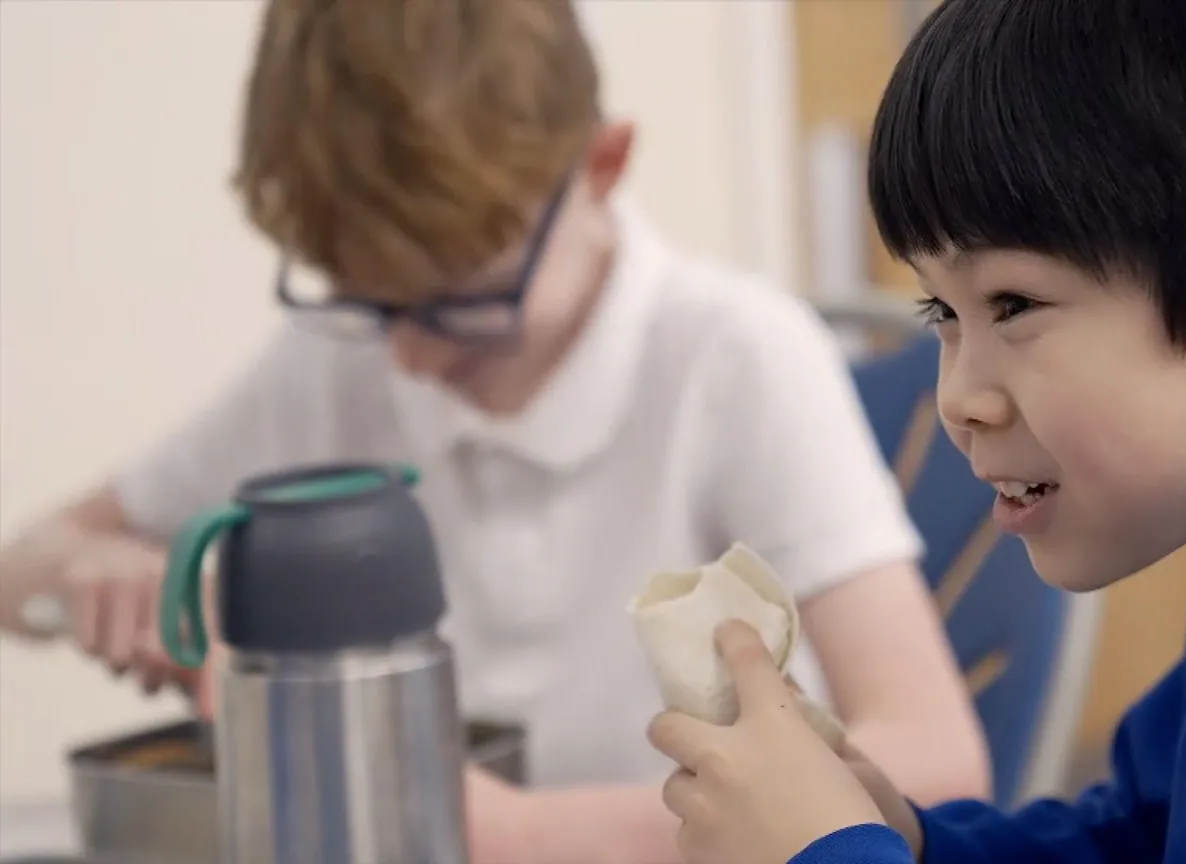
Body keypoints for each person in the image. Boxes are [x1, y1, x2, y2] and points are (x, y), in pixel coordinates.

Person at [0, 1, 990, 861]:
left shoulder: (733, 360)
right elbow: (24, 564)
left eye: (462, 305)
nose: (410, 363)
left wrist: (518, 839)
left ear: (603, 166)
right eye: (371, 305)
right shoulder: (336, 359)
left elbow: (939, 769)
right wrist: (92, 567)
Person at [644, 0, 1186, 862]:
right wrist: (907, 841)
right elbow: (1139, 841)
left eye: (1014, 303)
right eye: (942, 314)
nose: (961, 399)